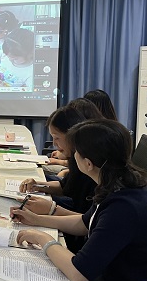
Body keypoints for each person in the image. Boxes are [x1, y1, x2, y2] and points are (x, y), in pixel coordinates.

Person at [12, 119, 147, 281]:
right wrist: (37, 219)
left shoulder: (124, 206)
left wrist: (43, 239)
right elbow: (84, 223)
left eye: (75, 153)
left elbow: (79, 273)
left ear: (88, 163)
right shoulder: (118, 184)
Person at [19, 106, 98, 253]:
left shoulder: (94, 175)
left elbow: (89, 223)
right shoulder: (79, 161)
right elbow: (66, 186)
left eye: (57, 138)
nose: (54, 143)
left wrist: (51, 210)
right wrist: (38, 186)